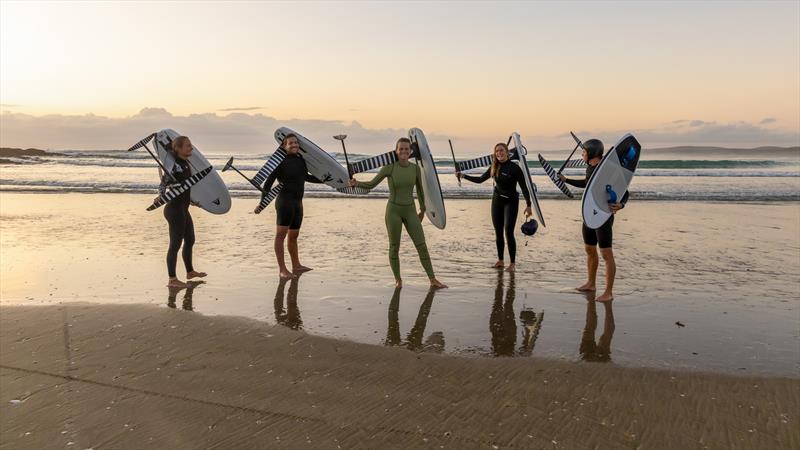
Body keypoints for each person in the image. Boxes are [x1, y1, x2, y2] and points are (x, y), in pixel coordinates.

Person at [349, 138, 447, 289]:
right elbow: (372, 184)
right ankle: (398, 280)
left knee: (421, 244)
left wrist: (422, 210)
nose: (404, 151)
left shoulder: (415, 169)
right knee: (394, 246)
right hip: (393, 211)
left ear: (411, 151)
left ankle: (433, 279)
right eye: (401, 149)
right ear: (396, 151)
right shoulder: (390, 167)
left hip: (410, 211)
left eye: (407, 149)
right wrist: (357, 184)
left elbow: (420, 191)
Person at [558, 139, 628, 302]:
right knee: (589, 249)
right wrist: (566, 180)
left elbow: (625, 190)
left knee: (606, 253)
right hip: (589, 213)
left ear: (591, 153)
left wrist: (621, 204)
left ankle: (608, 292)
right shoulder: (590, 167)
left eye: (583, 152)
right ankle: (591, 283)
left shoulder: (607, 170)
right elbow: (587, 184)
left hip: (603, 215)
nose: (582, 155)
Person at [456, 143, 532, 272]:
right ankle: (501, 260)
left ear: (507, 152)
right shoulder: (494, 167)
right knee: (498, 232)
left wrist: (528, 205)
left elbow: (524, 187)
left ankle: (512, 263)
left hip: (511, 201)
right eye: (497, 151)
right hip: (497, 200)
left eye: (501, 150)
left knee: (508, 231)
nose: (499, 153)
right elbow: (480, 180)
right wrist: (463, 175)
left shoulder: (515, 168)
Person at [260, 133, 323, 279]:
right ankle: (282, 270)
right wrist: (261, 203)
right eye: (291, 143)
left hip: (298, 203)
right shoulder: (280, 162)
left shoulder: (301, 160)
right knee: (280, 236)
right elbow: (268, 184)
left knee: (294, 235)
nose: (294, 145)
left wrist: (326, 180)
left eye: (296, 143)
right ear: (284, 146)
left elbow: (306, 177)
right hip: (285, 203)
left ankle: (296, 265)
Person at [158, 136, 206, 288]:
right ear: (178, 148)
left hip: (183, 208)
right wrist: (160, 196)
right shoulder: (174, 165)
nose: (191, 148)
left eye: (191, 145)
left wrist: (192, 202)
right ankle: (172, 279)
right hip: (174, 209)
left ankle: (190, 272)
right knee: (175, 244)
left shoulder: (185, 164)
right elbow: (163, 184)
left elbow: (182, 188)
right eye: (188, 146)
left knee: (190, 239)